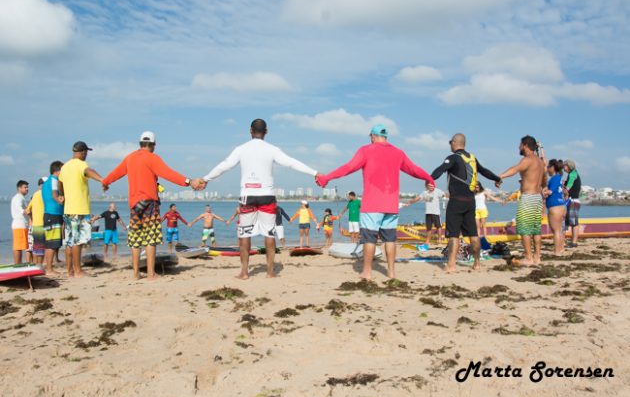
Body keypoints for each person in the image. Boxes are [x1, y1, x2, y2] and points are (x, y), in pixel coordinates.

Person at [200, 118, 319, 280]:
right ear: (266, 132)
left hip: (248, 196)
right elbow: (291, 163)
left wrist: (206, 179)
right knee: (269, 235)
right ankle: (270, 272)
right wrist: (314, 173)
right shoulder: (272, 149)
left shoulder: (241, 149)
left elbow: (225, 165)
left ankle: (244, 272)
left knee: (244, 235)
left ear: (250, 131)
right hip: (267, 196)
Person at [317, 124, 434, 280]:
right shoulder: (398, 153)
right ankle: (391, 272)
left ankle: (367, 272)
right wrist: (429, 178)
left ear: (372, 136)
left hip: (372, 204)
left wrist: (327, 177)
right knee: (390, 239)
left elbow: (348, 167)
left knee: (369, 238)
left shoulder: (366, 150)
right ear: (385, 136)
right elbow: (414, 169)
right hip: (391, 204)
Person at [102, 131, 203, 280]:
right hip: (150, 203)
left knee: (135, 239)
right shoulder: (153, 158)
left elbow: (116, 173)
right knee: (150, 238)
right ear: (153, 145)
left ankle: (136, 274)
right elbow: (168, 173)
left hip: (135, 205)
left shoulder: (129, 158)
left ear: (140, 143)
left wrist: (105, 182)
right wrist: (189, 181)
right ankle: (150, 274)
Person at [431, 133, 502, 273]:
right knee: (473, 234)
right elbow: (484, 171)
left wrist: (429, 179)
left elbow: (440, 169)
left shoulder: (453, 158)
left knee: (453, 235)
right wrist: (497, 178)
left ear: (455, 142)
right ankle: (476, 263)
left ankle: (451, 265)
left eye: (450, 141)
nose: (449, 144)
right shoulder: (472, 158)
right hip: (470, 202)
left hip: (456, 202)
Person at [58, 141, 105, 277]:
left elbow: (60, 183)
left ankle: (69, 271)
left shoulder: (65, 167)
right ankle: (78, 271)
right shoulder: (81, 164)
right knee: (78, 241)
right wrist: (102, 179)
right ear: (83, 152)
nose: (86, 155)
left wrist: (63, 195)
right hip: (79, 208)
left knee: (69, 241)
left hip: (68, 209)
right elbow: (88, 171)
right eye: (86, 152)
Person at [499, 136, 546, 266]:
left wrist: (500, 176)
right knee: (536, 230)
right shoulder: (540, 162)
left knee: (525, 229)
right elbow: (544, 179)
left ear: (525, 145)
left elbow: (515, 169)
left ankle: (528, 258)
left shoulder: (528, 159)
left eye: (520, 145)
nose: (518, 147)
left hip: (528, 197)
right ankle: (537, 256)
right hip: (538, 198)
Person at [42, 161, 65, 276]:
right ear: (57, 171)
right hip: (53, 214)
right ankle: (49, 269)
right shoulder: (54, 180)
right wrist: (60, 200)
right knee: (52, 243)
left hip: (50, 214)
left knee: (51, 243)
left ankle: (49, 267)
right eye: (63, 170)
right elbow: (54, 194)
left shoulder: (47, 182)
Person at [543, 159, 566, 256]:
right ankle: (560, 249)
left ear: (553, 167)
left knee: (556, 230)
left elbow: (550, 192)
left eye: (548, 167)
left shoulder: (555, 178)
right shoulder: (558, 177)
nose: (547, 169)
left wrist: (542, 192)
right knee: (559, 230)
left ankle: (557, 251)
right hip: (560, 205)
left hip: (555, 207)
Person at [25, 178, 46, 266]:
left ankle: (36, 265)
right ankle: (39, 266)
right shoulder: (45, 194)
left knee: (36, 247)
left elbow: (27, 210)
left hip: (35, 225)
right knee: (41, 247)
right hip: (43, 224)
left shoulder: (34, 195)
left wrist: (31, 218)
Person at [563, 159, 582, 248]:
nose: (563, 167)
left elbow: (568, 188)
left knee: (574, 222)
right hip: (573, 200)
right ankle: (572, 241)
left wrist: (562, 189)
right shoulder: (572, 174)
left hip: (573, 200)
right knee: (572, 221)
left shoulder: (572, 174)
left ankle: (574, 242)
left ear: (569, 166)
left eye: (565, 166)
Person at [11, 180, 29, 264]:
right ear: (19, 188)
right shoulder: (18, 197)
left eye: (27, 187)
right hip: (19, 224)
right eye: (25, 187)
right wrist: (24, 211)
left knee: (21, 246)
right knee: (18, 246)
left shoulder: (22, 197)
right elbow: (19, 207)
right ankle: (17, 264)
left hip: (22, 224)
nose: (27, 189)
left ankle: (19, 263)